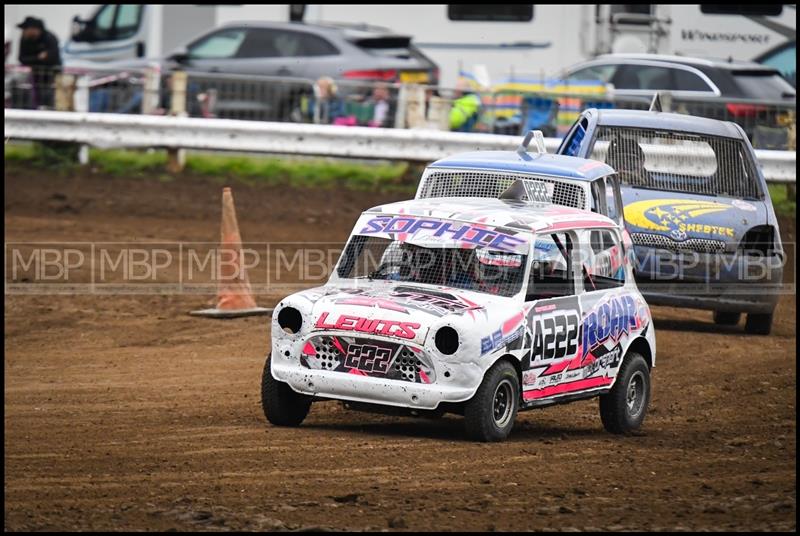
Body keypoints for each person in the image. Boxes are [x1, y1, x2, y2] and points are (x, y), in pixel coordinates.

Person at [17, 16, 61, 109]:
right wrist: (38, 58)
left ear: (35, 29)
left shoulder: (50, 38)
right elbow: (22, 58)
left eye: (26, 29)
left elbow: (52, 58)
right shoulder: (25, 39)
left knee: (48, 101)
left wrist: (38, 59)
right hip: (33, 76)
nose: (24, 31)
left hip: (50, 78)